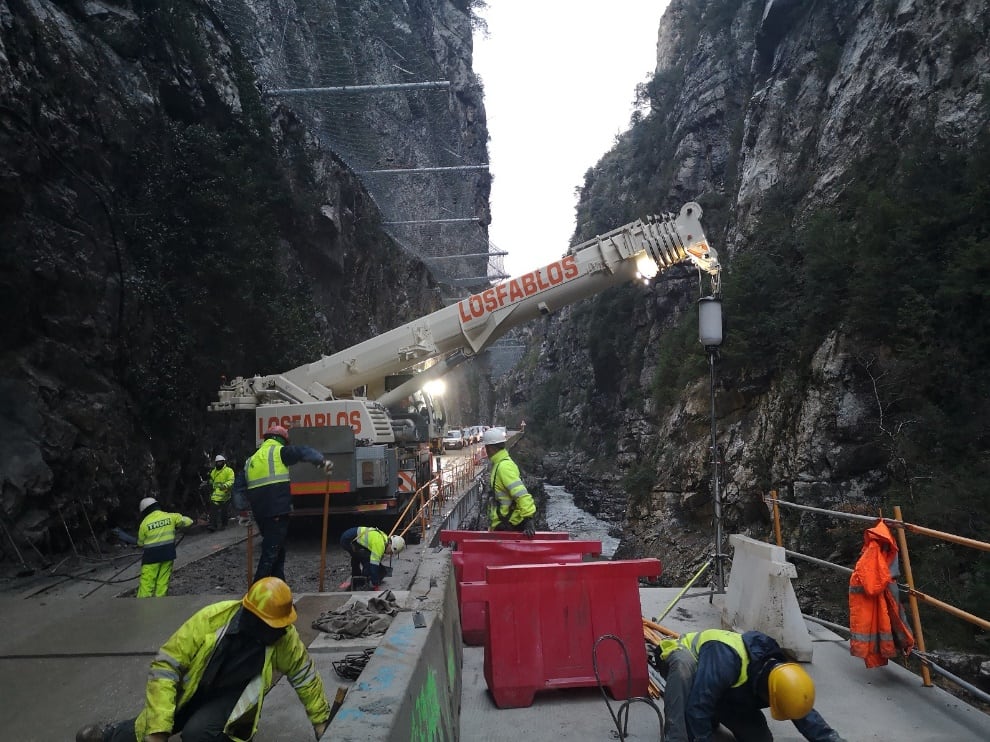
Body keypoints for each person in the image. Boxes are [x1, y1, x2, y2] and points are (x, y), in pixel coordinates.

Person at [75, 577, 332, 742]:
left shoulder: (283, 637)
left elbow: (304, 677)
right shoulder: (211, 619)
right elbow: (165, 667)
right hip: (194, 687)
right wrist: (158, 734)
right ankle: (110, 735)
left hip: (229, 698)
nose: (278, 632)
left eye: (281, 626)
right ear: (251, 615)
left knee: (198, 733)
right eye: (272, 626)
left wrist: (322, 724)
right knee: (153, 725)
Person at [653, 628, 847, 742]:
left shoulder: (779, 677)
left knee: (760, 739)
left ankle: (715, 713)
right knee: (684, 670)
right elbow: (698, 707)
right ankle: (676, 738)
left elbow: (798, 707)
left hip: (725, 688)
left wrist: (830, 738)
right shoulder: (725, 662)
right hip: (680, 656)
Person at [244, 424, 332, 582]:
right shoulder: (279, 451)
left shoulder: (251, 460)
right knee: (270, 553)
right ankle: (254, 597)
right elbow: (302, 451)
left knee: (277, 551)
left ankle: (280, 587)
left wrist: (243, 511)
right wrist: (321, 462)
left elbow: (239, 486)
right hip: (277, 510)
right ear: (282, 440)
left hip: (261, 513)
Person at [481, 427, 536, 536]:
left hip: (507, 525)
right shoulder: (500, 463)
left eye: (486, 447)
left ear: (491, 448)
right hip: (503, 523)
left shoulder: (504, 467)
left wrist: (528, 519)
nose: (485, 450)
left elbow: (521, 493)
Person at [136, 497, 194, 598]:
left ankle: (142, 607)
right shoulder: (171, 516)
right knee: (163, 581)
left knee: (147, 583)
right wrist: (177, 526)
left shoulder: (144, 523)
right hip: (168, 554)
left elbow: (140, 543)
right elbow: (189, 521)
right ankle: (161, 605)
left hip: (151, 558)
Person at [339, 526, 406, 589]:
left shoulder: (384, 538)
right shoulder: (380, 545)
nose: (389, 554)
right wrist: (375, 583)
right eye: (391, 552)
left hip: (350, 536)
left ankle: (357, 580)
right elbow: (374, 566)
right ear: (391, 545)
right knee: (366, 560)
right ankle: (362, 582)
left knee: (358, 556)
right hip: (348, 540)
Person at [208, 454, 235, 532]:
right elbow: (212, 481)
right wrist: (208, 483)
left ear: (223, 462)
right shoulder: (213, 472)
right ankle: (212, 525)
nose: (219, 464)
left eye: (220, 462)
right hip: (216, 495)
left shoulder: (228, 470)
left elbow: (231, 480)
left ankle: (224, 524)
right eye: (217, 462)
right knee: (213, 510)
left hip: (225, 494)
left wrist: (225, 485)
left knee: (224, 511)